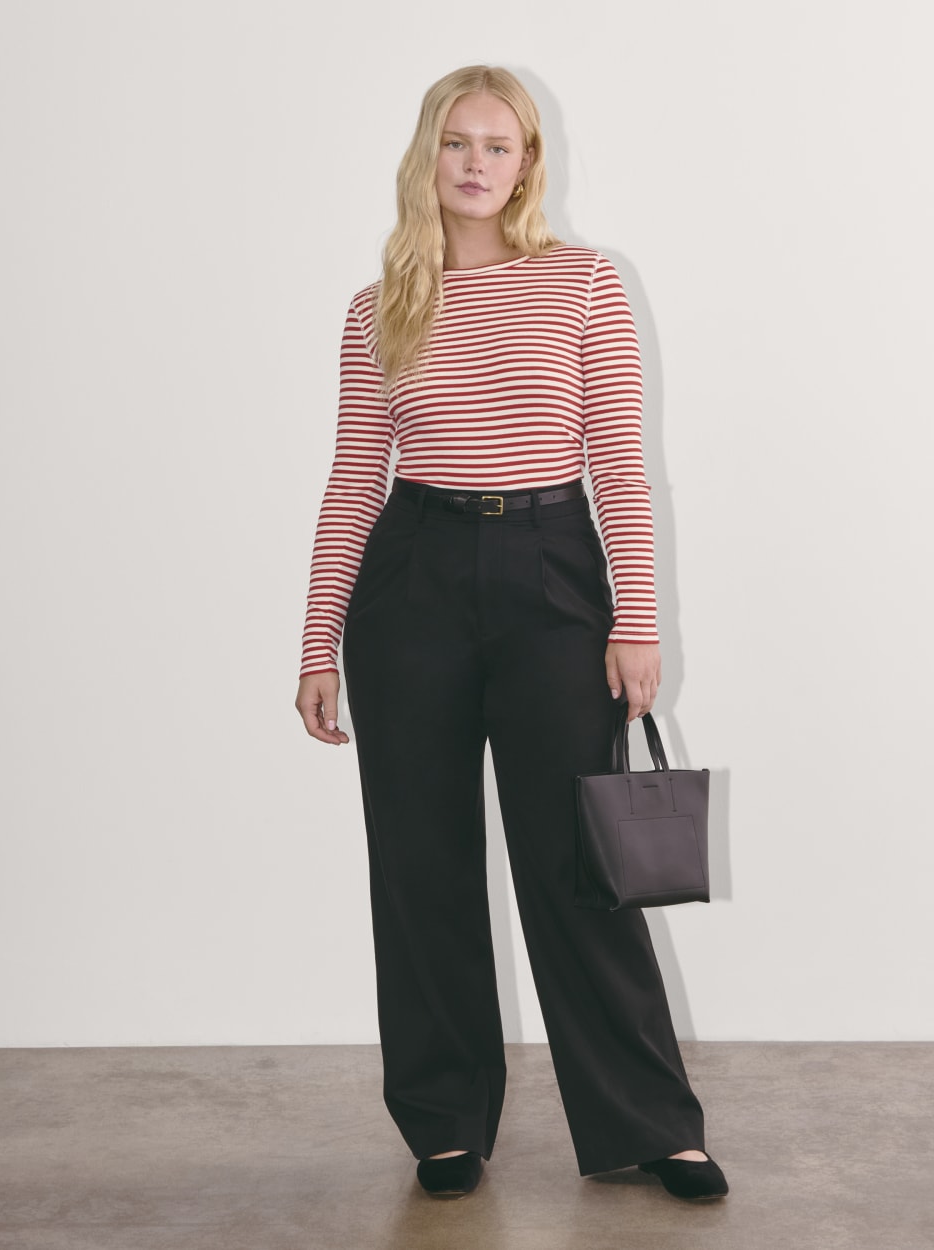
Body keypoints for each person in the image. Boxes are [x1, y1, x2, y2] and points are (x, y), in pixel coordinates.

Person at [294, 64, 728, 1202]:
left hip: (551, 570)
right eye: (458, 142)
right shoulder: (380, 304)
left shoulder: (583, 282)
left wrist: (636, 616)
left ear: (529, 162)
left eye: (499, 145)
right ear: (426, 156)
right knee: (420, 861)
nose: (477, 163)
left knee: (580, 858)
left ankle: (650, 1122)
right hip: (412, 581)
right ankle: (444, 1120)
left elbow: (620, 459)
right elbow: (354, 479)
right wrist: (317, 637)